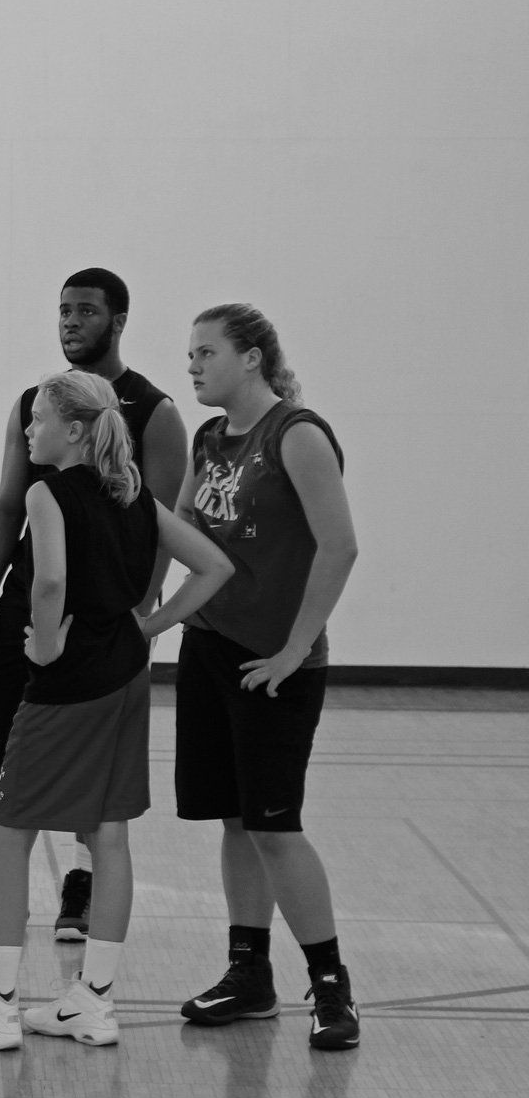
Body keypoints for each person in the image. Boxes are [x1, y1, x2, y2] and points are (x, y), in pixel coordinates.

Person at [0, 371, 231, 1052]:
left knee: (10, 832)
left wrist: (41, 645)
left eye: (37, 419)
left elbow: (51, 579)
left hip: (67, 685)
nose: (28, 430)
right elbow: (215, 568)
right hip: (126, 678)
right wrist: (146, 632)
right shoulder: (136, 496)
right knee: (109, 834)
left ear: (73, 430)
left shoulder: (47, 492)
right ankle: (93, 1001)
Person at [0, 268, 188, 939]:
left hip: (101, 617)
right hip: (27, 608)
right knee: (0, 740)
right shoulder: (36, 405)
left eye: (86, 311)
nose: (70, 322)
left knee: (88, 751)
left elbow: (158, 523)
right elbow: (7, 505)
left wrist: (143, 611)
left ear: (119, 320)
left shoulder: (154, 412)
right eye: (64, 310)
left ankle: (80, 883)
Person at [172, 304, 361, 1051]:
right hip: (212, 649)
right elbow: (184, 528)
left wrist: (294, 649)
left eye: (206, 352)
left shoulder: (298, 434)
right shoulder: (210, 438)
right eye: (189, 354)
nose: (193, 365)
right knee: (233, 819)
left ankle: (332, 988)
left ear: (251, 359)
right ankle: (249, 973)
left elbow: (339, 548)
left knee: (277, 827)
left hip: (276, 663)